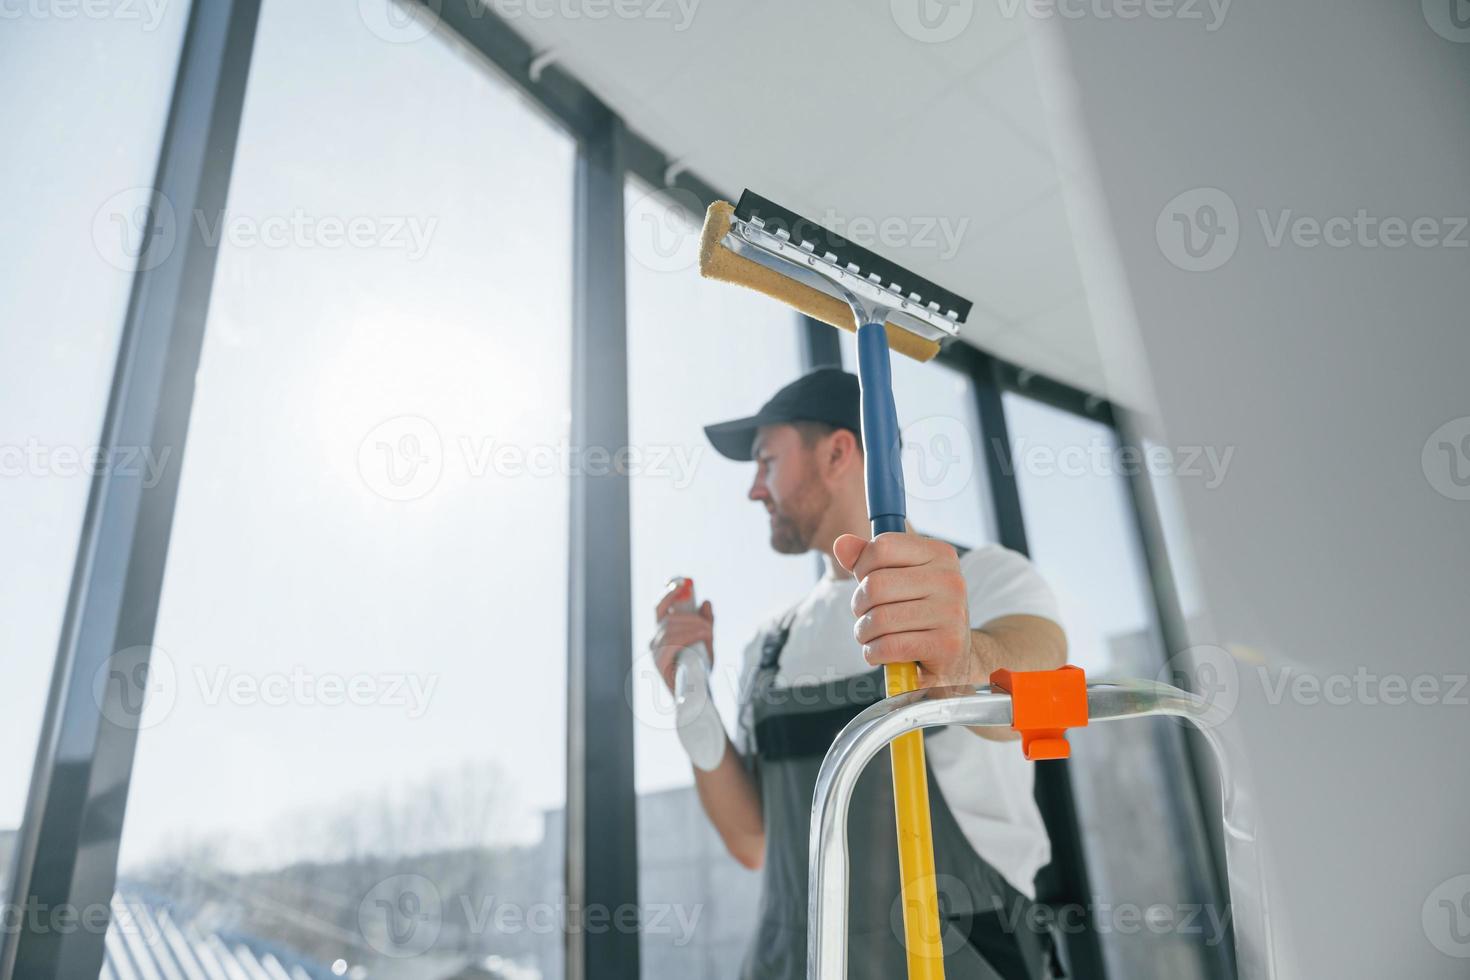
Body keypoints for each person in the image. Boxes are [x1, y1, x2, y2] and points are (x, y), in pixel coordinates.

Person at [650, 368, 1068, 979]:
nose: (754, 491)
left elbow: (1044, 690)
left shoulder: (981, 578)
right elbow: (752, 842)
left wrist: (960, 659)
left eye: (766, 461)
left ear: (838, 452)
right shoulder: (773, 642)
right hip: (798, 962)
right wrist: (694, 704)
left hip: (958, 958)